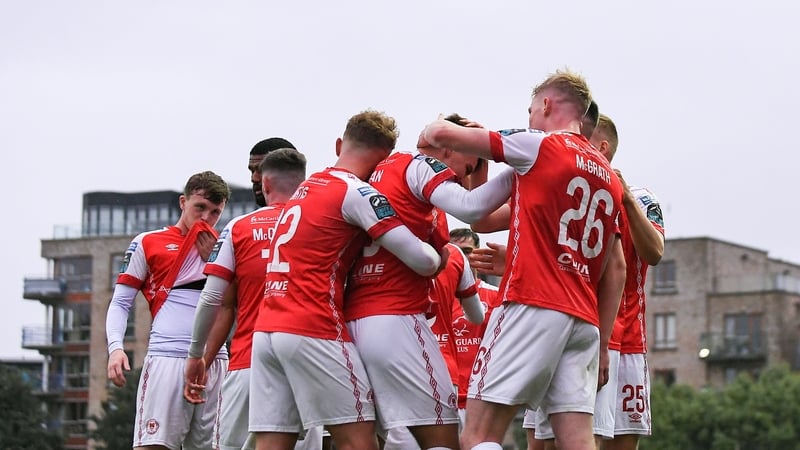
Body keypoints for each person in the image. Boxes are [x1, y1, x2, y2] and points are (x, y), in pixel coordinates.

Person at [418, 69, 627, 450]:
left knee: (478, 434)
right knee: (578, 441)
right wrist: (601, 344)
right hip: (583, 321)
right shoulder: (609, 178)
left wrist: (448, 128)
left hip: (532, 303)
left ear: (546, 104)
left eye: (531, 110)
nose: (529, 118)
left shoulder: (541, 146)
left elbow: (441, 135)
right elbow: (616, 268)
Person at [248, 110, 448, 450]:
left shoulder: (307, 186)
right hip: (313, 325)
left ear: (340, 145)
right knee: (358, 440)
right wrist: (441, 255)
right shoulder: (358, 192)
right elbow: (423, 261)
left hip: (266, 330)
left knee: (272, 441)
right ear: (383, 160)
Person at [344, 113, 510, 450]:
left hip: (356, 316)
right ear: (449, 148)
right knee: (442, 434)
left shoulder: (381, 171)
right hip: (396, 316)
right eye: (469, 166)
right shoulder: (420, 165)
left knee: (386, 438)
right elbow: (472, 208)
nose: (465, 178)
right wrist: (525, 167)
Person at [183, 146, 327, 450]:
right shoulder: (324, 226)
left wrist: (197, 354)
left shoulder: (239, 227)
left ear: (266, 182)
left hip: (249, 363)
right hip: (307, 365)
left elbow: (212, 299)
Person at [106, 170, 232, 450]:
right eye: (200, 207)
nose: (206, 217)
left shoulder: (226, 245)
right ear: (183, 202)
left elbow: (236, 304)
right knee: (154, 445)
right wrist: (115, 348)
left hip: (215, 362)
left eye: (215, 212)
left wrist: (215, 261)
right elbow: (121, 301)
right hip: (167, 358)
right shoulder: (148, 242)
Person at [595, 115, 664, 450]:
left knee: (619, 443)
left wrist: (626, 200)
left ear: (603, 147)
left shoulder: (641, 198)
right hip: (580, 332)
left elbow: (655, 252)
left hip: (629, 342)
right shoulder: (569, 194)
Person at [446, 228, 502, 425]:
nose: (461, 257)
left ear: (479, 254)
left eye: (467, 251)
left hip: (482, 398)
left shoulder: (497, 297)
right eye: (454, 251)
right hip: (444, 398)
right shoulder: (433, 298)